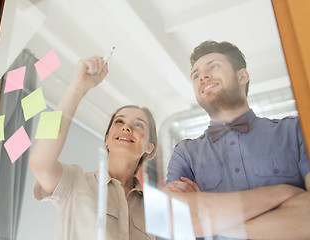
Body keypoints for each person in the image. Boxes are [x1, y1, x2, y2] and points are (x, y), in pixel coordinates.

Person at [164, 40, 310, 239]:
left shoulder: (295, 130)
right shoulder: (185, 154)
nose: (202, 77)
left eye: (213, 66)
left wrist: (212, 223)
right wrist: (284, 193)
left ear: (242, 76)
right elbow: (177, 220)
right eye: (195, 75)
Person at [29, 56, 158, 240]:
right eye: (119, 121)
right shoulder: (74, 183)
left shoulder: (155, 214)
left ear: (149, 147)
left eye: (139, 125)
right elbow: (40, 164)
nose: (126, 127)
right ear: (107, 139)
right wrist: (78, 87)